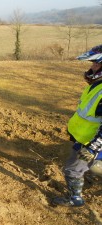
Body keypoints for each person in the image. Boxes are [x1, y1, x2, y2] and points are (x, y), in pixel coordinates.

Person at [52, 44, 102, 207]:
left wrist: (93, 148)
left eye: (96, 63)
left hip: (90, 143)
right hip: (83, 138)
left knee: (72, 170)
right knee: (83, 167)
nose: (92, 67)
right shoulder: (96, 86)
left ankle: (75, 199)